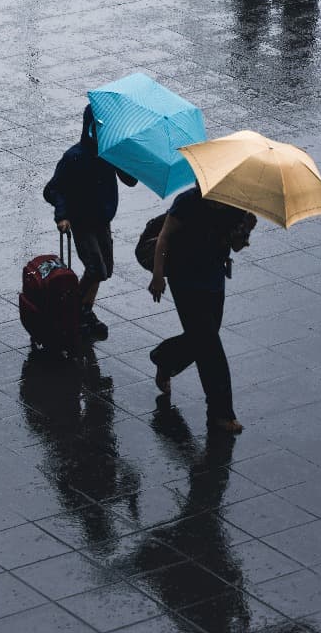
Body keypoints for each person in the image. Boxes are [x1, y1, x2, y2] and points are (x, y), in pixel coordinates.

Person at [147, 185, 256, 434]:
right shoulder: (186, 202)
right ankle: (220, 413)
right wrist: (158, 274)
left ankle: (165, 357)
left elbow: (236, 245)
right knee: (210, 347)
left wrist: (245, 229)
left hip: (214, 281)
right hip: (185, 281)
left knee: (203, 339)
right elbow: (164, 237)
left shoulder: (235, 206)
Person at [43, 104, 137, 340]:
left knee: (104, 270)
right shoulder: (74, 157)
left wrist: (125, 156)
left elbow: (130, 180)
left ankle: (84, 310)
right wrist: (62, 215)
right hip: (82, 222)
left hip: (102, 220)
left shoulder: (109, 155)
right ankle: (76, 310)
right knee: (96, 268)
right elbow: (53, 189)